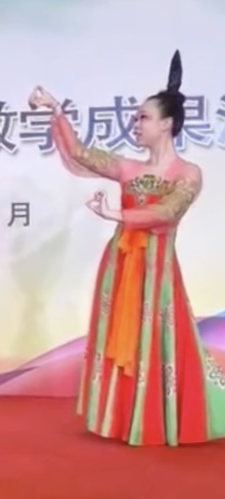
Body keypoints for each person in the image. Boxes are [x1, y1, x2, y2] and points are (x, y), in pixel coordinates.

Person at [30, 50, 225, 446]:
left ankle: (158, 420)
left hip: (157, 271)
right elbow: (81, 154)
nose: (135, 124)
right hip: (120, 266)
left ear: (166, 124)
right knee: (120, 336)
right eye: (135, 118)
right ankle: (121, 418)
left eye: (143, 118)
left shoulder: (188, 174)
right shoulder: (128, 168)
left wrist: (118, 214)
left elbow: (169, 212)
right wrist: (55, 110)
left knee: (157, 339)